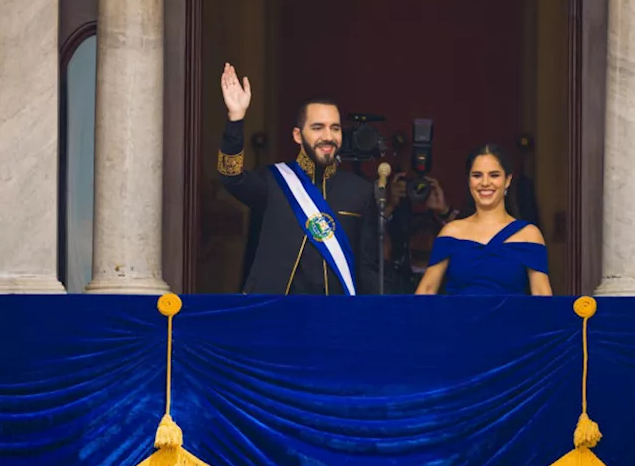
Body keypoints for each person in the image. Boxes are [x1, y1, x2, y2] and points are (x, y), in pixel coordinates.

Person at [217, 63, 380, 295]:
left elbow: (368, 267)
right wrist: (236, 119)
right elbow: (230, 176)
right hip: (277, 315)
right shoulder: (273, 181)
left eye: (335, 128)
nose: (328, 136)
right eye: (317, 128)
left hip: (336, 318)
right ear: (297, 135)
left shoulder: (360, 191)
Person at [414, 144, 552, 296]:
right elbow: (426, 291)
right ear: (469, 181)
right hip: (458, 319)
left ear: (507, 180)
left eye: (494, 175)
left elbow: (542, 296)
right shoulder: (451, 232)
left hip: (511, 320)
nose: (485, 183)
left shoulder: (529, 235)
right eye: (477, 175)